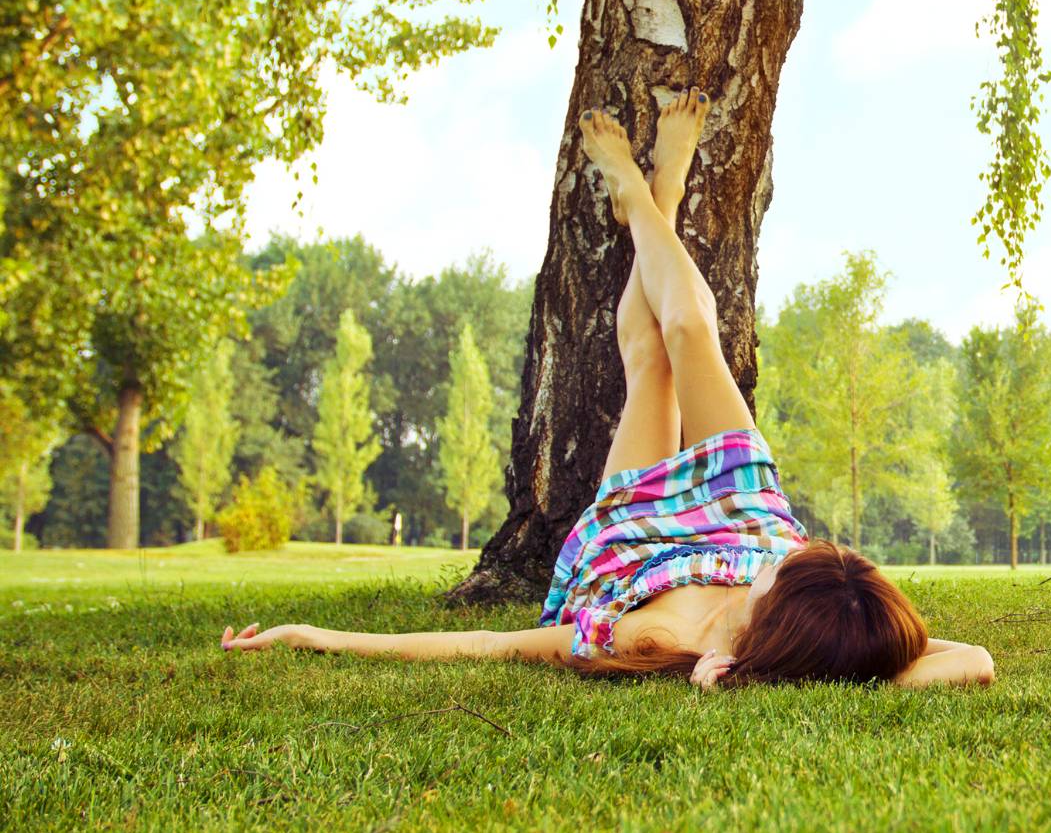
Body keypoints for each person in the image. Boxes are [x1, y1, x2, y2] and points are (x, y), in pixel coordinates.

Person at [220, 86, 994, 691]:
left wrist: (311, 637)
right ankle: (654, 192)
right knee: (693, 331)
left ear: (774, 620)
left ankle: (646, 202)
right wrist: (836, 652)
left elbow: (486, 644)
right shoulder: (826, 613)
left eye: (784, 577)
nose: (791, 560)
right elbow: (975, 658)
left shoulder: (648, 641)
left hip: (636, 545)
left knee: (650, 355)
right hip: (745, 523)